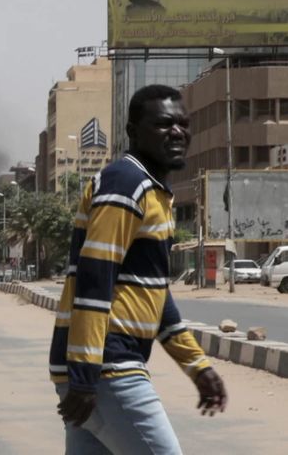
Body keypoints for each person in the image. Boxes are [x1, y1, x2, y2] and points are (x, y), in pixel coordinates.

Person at [51, 84, 227, 454]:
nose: (177, 132)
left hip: (98, 368)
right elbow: (95, 279)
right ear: (133, 132)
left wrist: (197, 366)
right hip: (108, 367)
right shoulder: (126, 184)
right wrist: (85, 375)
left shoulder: (152, 192)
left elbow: (156, 296)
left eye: (182, 123)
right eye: (164, 124)